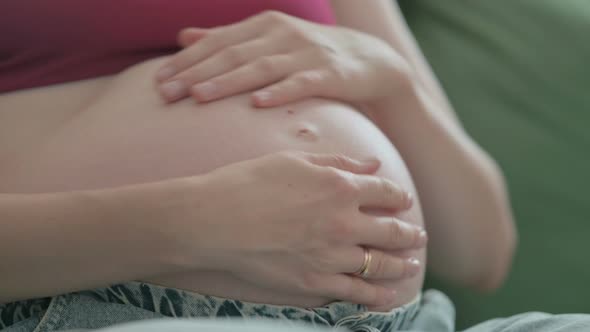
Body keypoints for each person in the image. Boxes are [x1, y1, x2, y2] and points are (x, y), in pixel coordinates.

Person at [0, 1, 517, 331]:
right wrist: (191, 224)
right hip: (109, 306)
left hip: (413, 322)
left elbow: (482, 252)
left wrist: (393, 82)